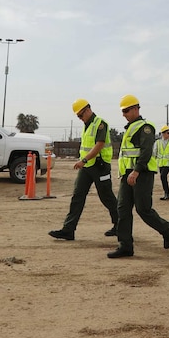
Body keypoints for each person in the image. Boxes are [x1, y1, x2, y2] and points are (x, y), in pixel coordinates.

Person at [108, 94, 169, 258]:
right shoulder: (130, 128)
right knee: (122, 209)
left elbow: (145, 152)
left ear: (136, 109)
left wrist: (136, 171)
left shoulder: (145, 127)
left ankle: (166, 228)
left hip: (141, 174)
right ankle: (125, 246)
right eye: (122, 111)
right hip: (127, 174)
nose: (123, 114)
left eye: (126, 111)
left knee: (143, 209)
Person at [49, 99, 120, 241]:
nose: (80, 119)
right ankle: (68, 230)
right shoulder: (86, 125)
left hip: (100, 166)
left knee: (107, 198)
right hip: (87, 167)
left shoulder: (100, 124)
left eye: (81, 115)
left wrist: (84, 160)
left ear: (88, 110)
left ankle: (120, 226)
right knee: (77, 196)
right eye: (78, 117)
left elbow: (99, 145)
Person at [153, 125, 169, 200]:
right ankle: (166, 193)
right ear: (163, 133)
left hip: (168, 163)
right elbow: (154, 152)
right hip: (160, 163)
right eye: (167, 133)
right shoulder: (157, 142)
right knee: (163, 178)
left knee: (163, 176)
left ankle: (167, 193)